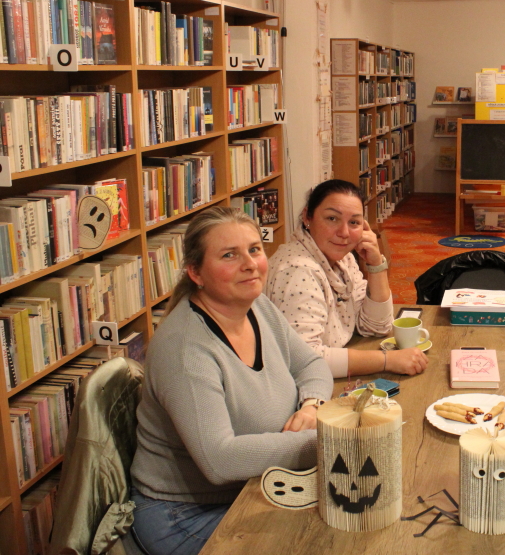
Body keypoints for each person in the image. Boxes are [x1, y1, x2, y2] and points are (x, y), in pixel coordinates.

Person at [130, 207, 333, 555]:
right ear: (196, 272)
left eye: (254, 249)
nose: (250, 264)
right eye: (229, 255)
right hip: (185, 514)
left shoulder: (258, 307)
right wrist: (324, 442)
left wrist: (312, 406)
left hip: (256, 485)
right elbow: (219, 461)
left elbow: (311, 364)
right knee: (322, 539)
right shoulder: (185, 349)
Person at [265, 179, 428, 378]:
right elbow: (304, 360)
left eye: (354, 222)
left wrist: (376, 265)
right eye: (332, 218)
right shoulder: (298, 271)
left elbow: (376, 326)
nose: (344, 233)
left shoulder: (343, 258)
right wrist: (387, 360)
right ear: (307, 217)